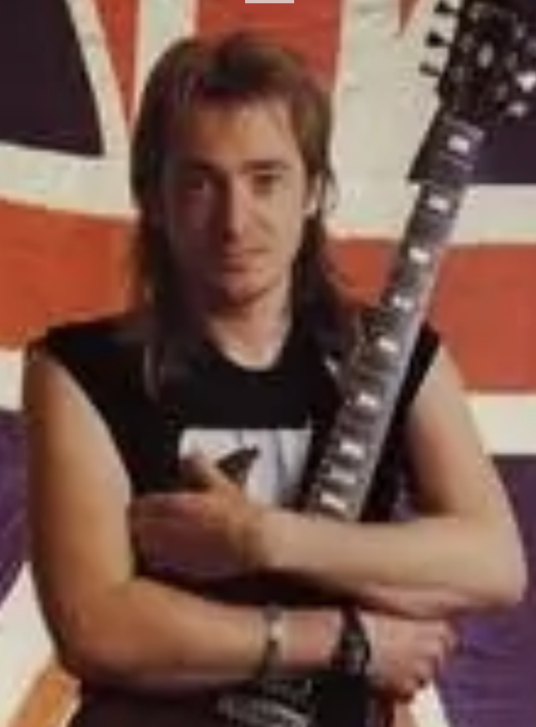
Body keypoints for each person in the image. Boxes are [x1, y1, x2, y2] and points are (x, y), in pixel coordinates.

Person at [23, 30, 526, 727]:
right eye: (201, 182)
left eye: (266, 180)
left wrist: (263, 538)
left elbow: (493, 564)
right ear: (153, 197)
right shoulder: (80, 370)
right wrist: (346, 641)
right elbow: (98, 628)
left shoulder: (398, 354)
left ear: (314, 190)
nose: (236, 221)